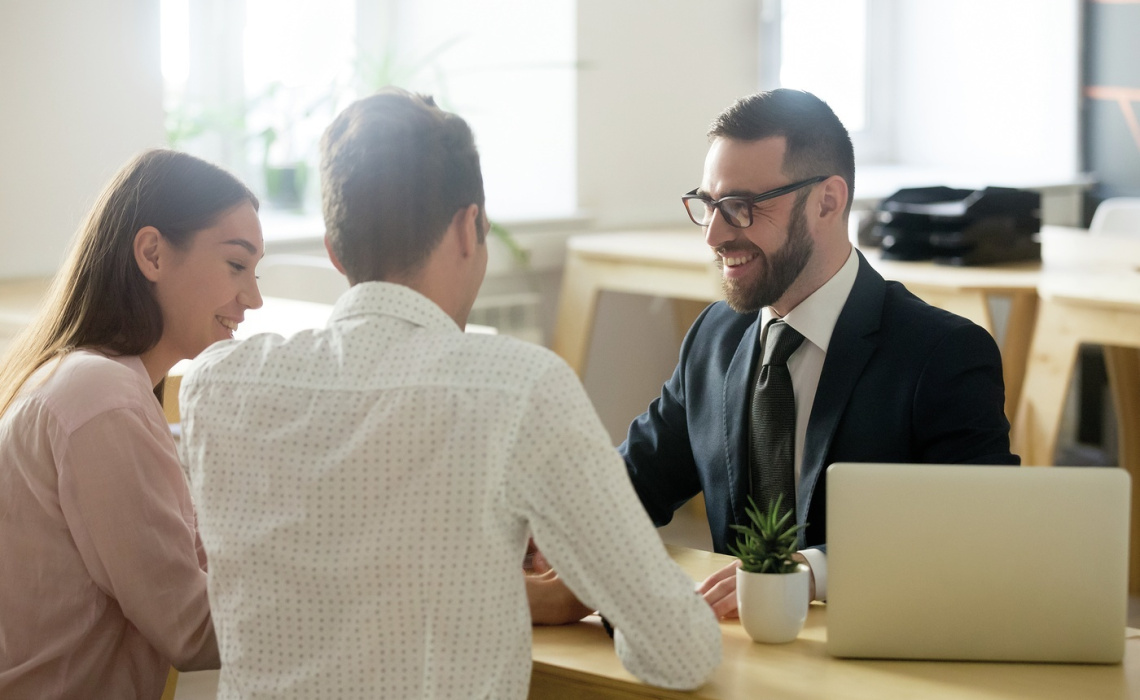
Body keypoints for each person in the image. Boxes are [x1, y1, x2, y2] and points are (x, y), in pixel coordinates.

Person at [178, 87, 721, 699]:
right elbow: (682, 650)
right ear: (470, 228)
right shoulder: (519, 388)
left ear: (335, 252)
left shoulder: (214, 386)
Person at [619, 89, 1019, 616]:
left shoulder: (943, 354)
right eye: (709, 205)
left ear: (827, 201)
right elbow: (630, 484)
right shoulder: (714, 338)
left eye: (741, 208)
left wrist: (809, 573)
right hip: (733, 657)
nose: (714, 234)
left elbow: (980, 527)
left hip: (875, 655)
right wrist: (541, 540)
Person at [0, 150, 263, 698]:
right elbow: (189, 629)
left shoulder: (81, 379)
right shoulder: (101, 396)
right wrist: (351, 591)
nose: (253, 298)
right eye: (237, 265)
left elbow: (184, 561)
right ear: (152, 253)